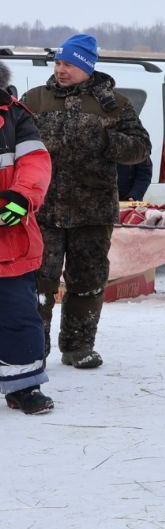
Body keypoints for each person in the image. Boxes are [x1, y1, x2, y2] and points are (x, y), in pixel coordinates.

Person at [21, 33, 151, 369]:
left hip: (92, 212)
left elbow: (140, 149)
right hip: (43, 211)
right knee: (38, 283)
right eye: (58, 63)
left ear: (87, 67)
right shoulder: (35, 100)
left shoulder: (114, 105)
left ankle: (78, 348)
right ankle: (33, 348)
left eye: (69, 64)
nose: (61, 70)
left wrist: (108, 140)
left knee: (88, 281)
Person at [0, 62, 54, 414]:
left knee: (18, 315)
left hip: (9, 241)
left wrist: (22, 197)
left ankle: (24, 387)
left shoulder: (15, 117)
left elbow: (35, 162)